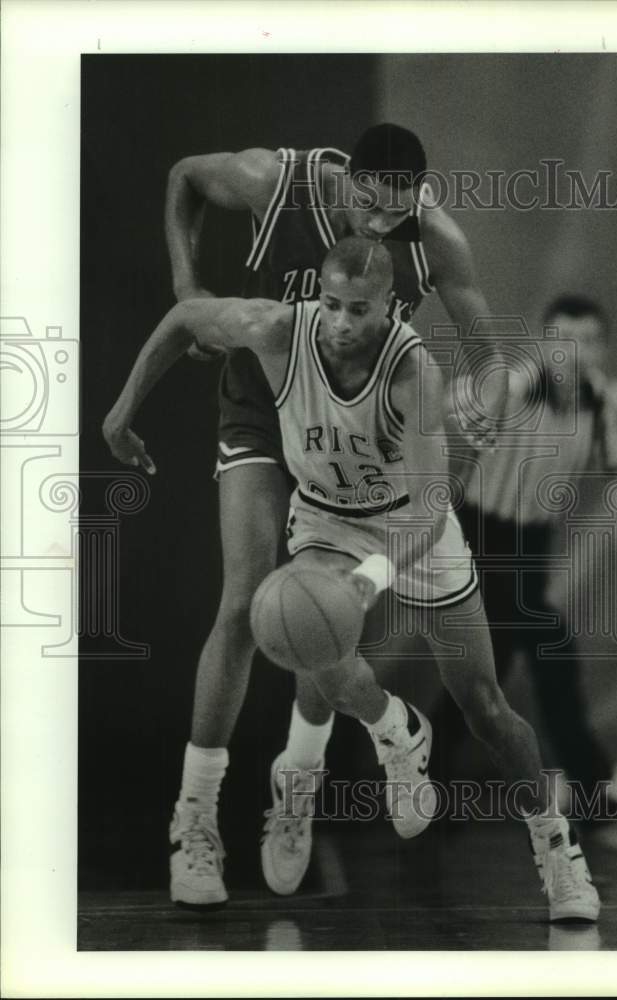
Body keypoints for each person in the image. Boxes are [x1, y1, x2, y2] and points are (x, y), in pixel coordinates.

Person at [103, 236, 601, 923]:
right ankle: (393, 729)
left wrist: (371, 579)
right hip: (328, 522)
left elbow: (429, 506)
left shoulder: (411, 371)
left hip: (411, 529)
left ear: (387, 309)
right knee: (307, 639)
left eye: (357, 310)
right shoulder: (278, 330)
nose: (340, 321)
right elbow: (185, 319)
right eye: (331, 304)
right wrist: (122, 411)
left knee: (486, 706)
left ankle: (556, 850)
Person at [162, 123, 507, 905]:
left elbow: (489, 361)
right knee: (248, 602)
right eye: (369, 208)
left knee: (318, 620)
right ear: (348, 180)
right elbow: (185, 168)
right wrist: (187, 287)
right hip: (262, 404)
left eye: (397, 214)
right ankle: (197, 821)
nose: (379, 226)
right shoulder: (272, 181)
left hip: (360, 426)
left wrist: (480, 416)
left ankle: (314, 770)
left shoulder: (436, 238)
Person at [448, 294, 617, 825]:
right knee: (542, 654)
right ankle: (588, 786)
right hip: (479, 536)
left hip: (530, 545)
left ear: (603, 347)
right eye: (564, 340)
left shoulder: (604, 399)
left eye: (589, 341)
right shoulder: (516, 385)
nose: (576, 352)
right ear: (544, 344)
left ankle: (425, 786)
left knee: (484, 671)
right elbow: (458, 406)